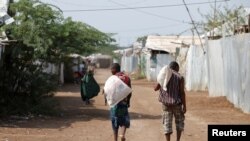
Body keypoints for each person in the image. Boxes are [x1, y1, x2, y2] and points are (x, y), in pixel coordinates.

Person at [154, 61, 186, 141]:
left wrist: (160, 83)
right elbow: (182, 93)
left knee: (167, 125)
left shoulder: (164, 74)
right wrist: (184, 106)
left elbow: (155, 88)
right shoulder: (180, 77)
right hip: (177, 104)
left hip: (166, 105)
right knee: (179, 123)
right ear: (176, 68)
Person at [109, 63, 132, 141]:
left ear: (115, 69)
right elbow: (129, 91)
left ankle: (115, 139)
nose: (110, 70)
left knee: (115, 120)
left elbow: (108, 90)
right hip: (123, 102)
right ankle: (122, 134)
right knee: (124, 119)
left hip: (114, 103)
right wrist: (128, 101)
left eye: (111, 69)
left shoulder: (112, 78)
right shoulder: (127, 78)